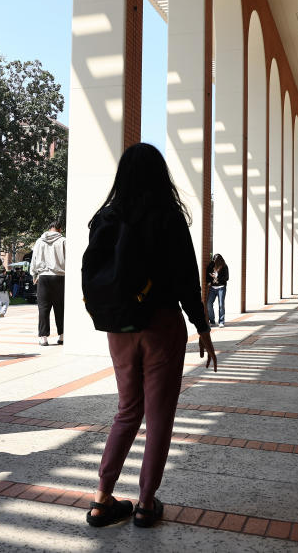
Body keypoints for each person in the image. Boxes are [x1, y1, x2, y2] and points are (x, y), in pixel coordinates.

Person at [85, 143, 217, 529]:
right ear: (161, 174)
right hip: (161, 324)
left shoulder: (104, 217)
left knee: (128, 410)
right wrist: (202, 328)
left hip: (120, 328)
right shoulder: (168, 217)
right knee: (159, 417)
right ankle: (145, 504)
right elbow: (186, 280)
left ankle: (101, 499)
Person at [29, 220, 66, 346]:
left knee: (43, 308)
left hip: (43, 276)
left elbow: (34, 259)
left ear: (49, 228)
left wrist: (34, 274)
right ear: (60, 229)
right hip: (60, 276)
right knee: (60, 307)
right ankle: (62, 336)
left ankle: (43, 337)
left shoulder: (39, 242)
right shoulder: (64, 241)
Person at [205, 254, 229, 328]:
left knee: (221, 305)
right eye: (214, 259)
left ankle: (221, 322)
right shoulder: (211, 265)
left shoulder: (224, 267)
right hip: (213, 288)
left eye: (216, 260)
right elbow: (207, 274)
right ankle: (212, 321)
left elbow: (226, 278)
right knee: (209, 303)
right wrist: (209, 281)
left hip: (221, 287)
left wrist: (217, 277)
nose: (214, 261)